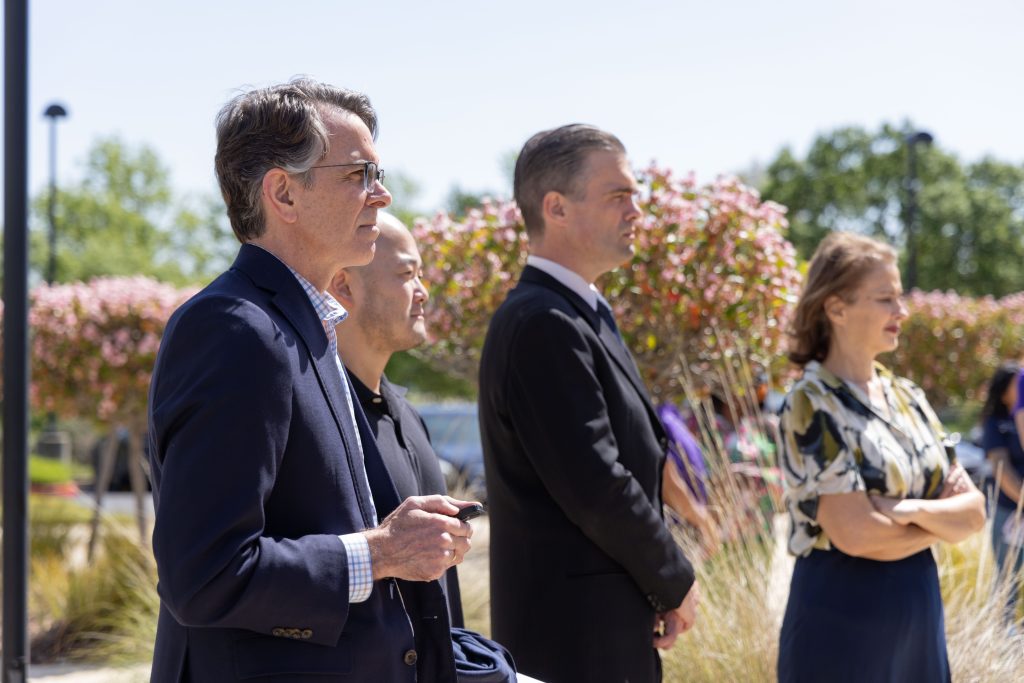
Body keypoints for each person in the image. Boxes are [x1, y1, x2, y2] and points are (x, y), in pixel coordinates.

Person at [147, 79, 477, 682]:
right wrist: (381, 553)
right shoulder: (235, 329)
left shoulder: (302, 328)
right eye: (359, 174)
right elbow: (204, 576)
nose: (382, 195)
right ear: (283, 193)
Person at [478, 124, 698, 683]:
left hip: (606, 633)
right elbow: (597, 483)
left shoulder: (581, 314)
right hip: (573, 645)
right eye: (618, 195)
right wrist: (674, 579)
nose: (637, 211)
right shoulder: (543, 323)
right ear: (556, 207)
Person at [777, 231, 986, 683]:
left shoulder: (908, 397)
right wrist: (938, 524)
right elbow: (856, 535)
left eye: (900, 297)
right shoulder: (811, 402)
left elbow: (973, 513)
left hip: (919, 620)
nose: (902, 311)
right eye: (885, 298)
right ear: (836, 308)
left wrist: (904, 510)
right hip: (841, 622)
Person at [329, 212, 524, 681]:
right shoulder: (322, 416)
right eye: (406, 274)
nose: (423, 292)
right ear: (344, 286)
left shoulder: (408, 415)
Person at [981, 362, 1024, 624]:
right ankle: (1001, 633)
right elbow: (1001, 467)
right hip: (1009, 512)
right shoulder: (995, 424)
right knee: (1008, 574)